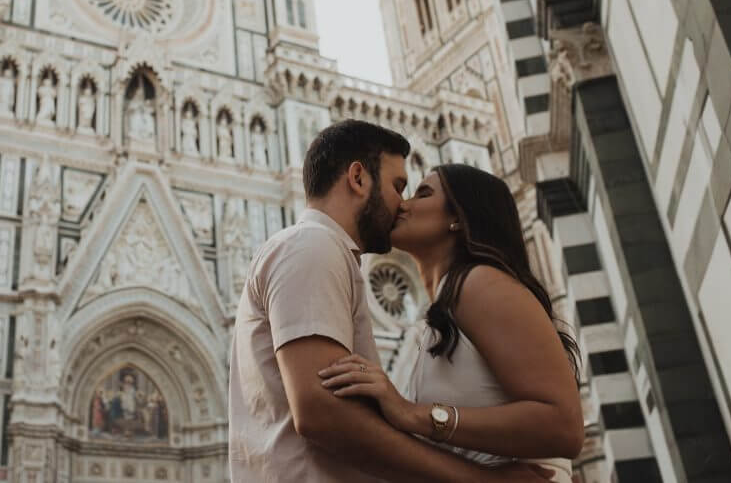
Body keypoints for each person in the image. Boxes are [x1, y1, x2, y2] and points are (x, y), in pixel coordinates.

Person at [228, 120, 555, 482]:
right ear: (358, 178)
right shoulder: (313, 247)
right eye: (398, 186)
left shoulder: (323, 251)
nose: (403, 204)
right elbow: (322, 412)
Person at [319, 164, 583, 482]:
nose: (402, 204)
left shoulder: (479, 283)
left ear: (459, 217)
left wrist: (414, 414)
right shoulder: (445, 307)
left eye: (423, 193)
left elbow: (564, 426)